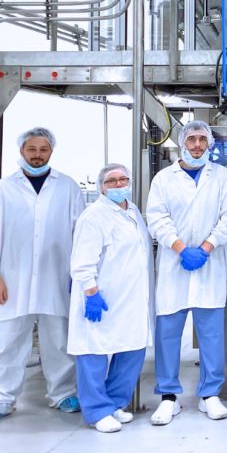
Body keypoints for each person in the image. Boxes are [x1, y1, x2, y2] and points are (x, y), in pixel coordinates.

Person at [0, 127, 85, 426]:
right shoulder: (2, 190)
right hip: (12, 280)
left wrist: (81, 275)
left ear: (51, 151)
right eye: (31, 149)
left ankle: (63, 394)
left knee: (59, 339)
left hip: (57, 278)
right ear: (21, 151)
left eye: (43, 149)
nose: (37, 155)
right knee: (6, 340)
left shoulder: (68, 188)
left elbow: (82, 235)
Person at [146, 121, 227, 424]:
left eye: (202, 139)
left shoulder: (222, 177)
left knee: (212, 334)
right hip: (175, 264)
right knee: (168, 334)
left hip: (209, 265)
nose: (197, 144)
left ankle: (209, 394)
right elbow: (157, 218)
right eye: (192, 139)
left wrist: (206, 248)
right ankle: (168, 396)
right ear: (182, 143)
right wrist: (181, 249)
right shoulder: (163, 178)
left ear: (209, 144)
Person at [68, 164, 154, 433]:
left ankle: (116, 402)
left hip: (132, 298)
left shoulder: (133, 211)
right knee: (93, 352)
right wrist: (91, 293)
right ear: (101, 187)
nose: (118, 185)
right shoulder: (93, 217)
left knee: (132, 348)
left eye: (123, 180)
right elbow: (82, 262)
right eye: (111, 181)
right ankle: (96, 410)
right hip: (101, 297)